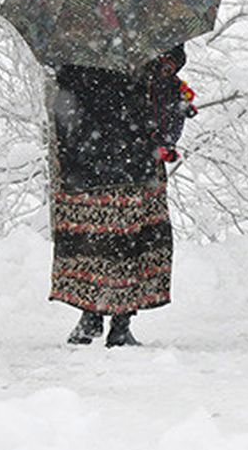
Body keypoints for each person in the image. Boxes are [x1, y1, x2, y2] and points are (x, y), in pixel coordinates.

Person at [48, 45, 195, 347]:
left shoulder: (74, 40)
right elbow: (170, 59)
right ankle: (119, 324)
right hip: (133, 156)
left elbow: (64, 94)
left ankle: (91, 316)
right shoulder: (143, 38)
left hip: (85, 160)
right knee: (131, 239)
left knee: (93, 238)